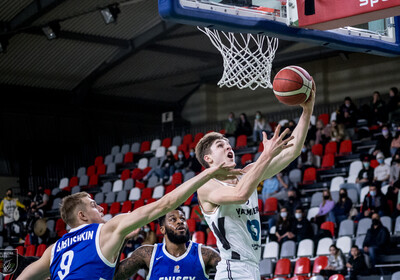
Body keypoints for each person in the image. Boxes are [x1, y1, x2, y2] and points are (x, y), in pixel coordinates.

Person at [16, 163, 240, 280]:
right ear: (81, 216)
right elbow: (163, 205)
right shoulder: (105, 230)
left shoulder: (53, 250)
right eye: (94, 204)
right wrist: (208, 174)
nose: (101, 207)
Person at [195, 82, 315, 279]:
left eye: (228, 144)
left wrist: (307, 109)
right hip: (232, 268)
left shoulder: (248, 172)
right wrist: (266, 155)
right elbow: (240, 194)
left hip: (252, 267)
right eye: (220, 145)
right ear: (208, 159)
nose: (228, 147)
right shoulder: (207, 186)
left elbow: (292, 152)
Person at [113, 208, 221, 280]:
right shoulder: (147, 255)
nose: (180, 222)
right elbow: (115, 276)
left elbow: (234, 272)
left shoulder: (205, 254)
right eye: (173, 219)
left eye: (183, 218)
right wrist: (124, 238)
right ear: (162, 229)